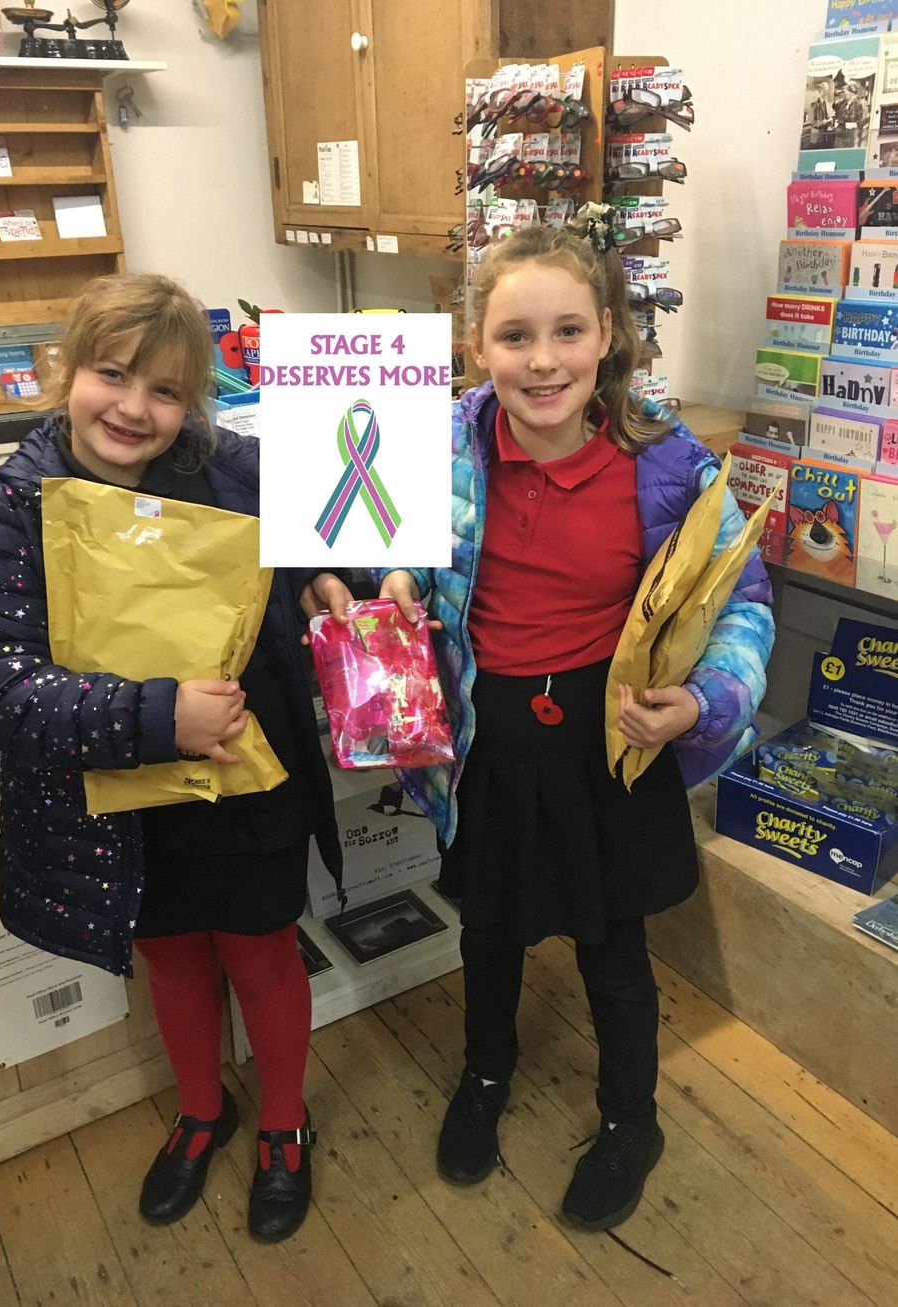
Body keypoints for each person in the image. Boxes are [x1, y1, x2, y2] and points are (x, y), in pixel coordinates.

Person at [377, 213, 774, 1231]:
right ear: (477, 345)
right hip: (488, 736)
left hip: (612, 738)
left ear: (606, 333)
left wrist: (698, 700)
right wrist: (380, 583)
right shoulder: (438, 450)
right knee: (490, 929)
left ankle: (628, 1116)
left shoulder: (667, 463)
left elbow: (742, 600)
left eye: (566, 331)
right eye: (514, 337)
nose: (541, 360)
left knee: (612, 943)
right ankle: (483, 1077)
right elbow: (389, 564)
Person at [0, 272, 353, 1243]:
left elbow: (328, 508)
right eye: (112, 374)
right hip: (118, 798)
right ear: (65, 371)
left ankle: (284, 1123)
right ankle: (203, 1109)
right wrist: (157, 716)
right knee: (171, 955)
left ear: (192, 401)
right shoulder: (15, 504)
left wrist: (327, 572)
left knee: (261, 948)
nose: (134, 407)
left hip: (247, 776)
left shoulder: (230, 465)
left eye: (166, 390)